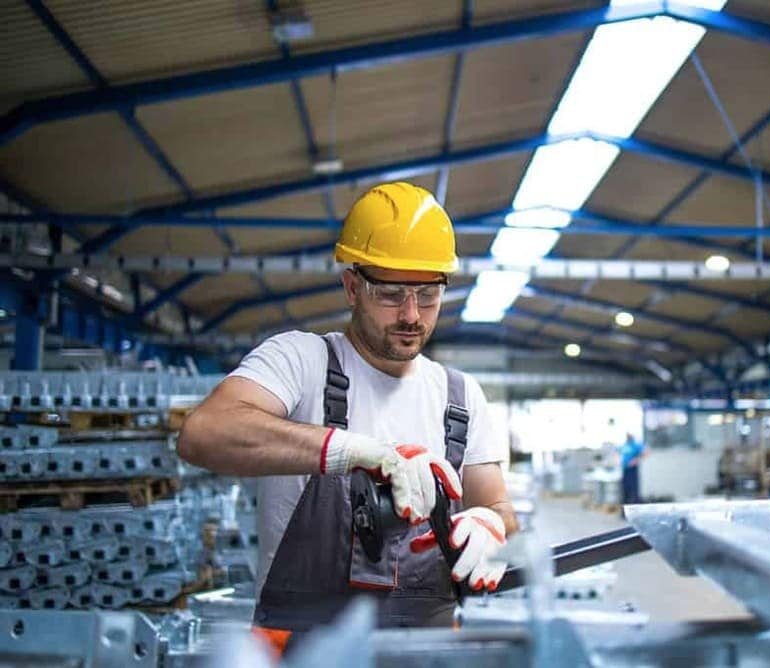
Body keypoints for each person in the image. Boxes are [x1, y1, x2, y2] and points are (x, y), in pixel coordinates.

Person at [177, 182, 517, 654]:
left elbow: (499, 509)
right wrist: (352, 451)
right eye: (392, 294)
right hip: (300, 651)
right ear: (352, 286)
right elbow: (203, 434)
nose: (411, 315)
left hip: (428, 654)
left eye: (428, 295)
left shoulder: (460, 397)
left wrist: (490, 526)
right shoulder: (301, 361)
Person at [620, 432, 645, 505]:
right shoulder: (624, 445)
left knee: (633, 489)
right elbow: (619, 453)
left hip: (633, 469)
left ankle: (635, 506)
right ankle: (625, 508)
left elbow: (645, 452)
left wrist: (636, 459)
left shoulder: (636, 445)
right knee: (625, 489)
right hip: (625, 469)